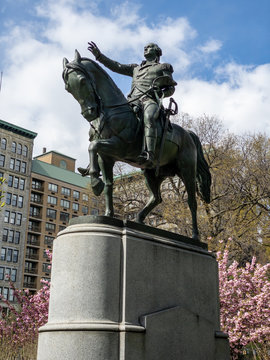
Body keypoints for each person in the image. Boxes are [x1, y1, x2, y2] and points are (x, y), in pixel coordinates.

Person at [88, 41, 177, 167]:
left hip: (149, 100)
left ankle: (149, 154)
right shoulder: (136, 68)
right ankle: (96, 157)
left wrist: (160, 93)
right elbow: (116, 66)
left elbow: (170, 88)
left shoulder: (164, 67)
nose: (146, 48)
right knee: (106, 117)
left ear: (157, 51)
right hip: (132, 101)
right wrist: (99, 56)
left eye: (150, 47)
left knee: (149, 117)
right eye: (145, 47)